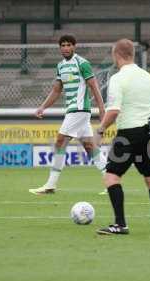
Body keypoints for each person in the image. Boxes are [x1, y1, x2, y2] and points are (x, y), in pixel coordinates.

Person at [95, 39, 150, 235]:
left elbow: (113, 111)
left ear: (117, 55)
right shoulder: (147, 76)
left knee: (112, 176)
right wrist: (149, 125)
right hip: (149, 133)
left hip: (128, 134)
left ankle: (120, 224)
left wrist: (101, 130)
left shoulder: (118, 79)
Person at [29, 35, 107, 195]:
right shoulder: (60, 66)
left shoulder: (82, 63)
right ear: (60, 48)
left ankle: (51, 185)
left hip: (78, 109)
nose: (65, 48)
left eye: (68, 45)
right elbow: (57, 90)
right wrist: (42, 107)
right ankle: (111, 182)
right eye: (63, 45)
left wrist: (101, 109)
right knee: (90, 147)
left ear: (74, 46)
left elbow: (94, 86)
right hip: (74, 111)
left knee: (60, 142)